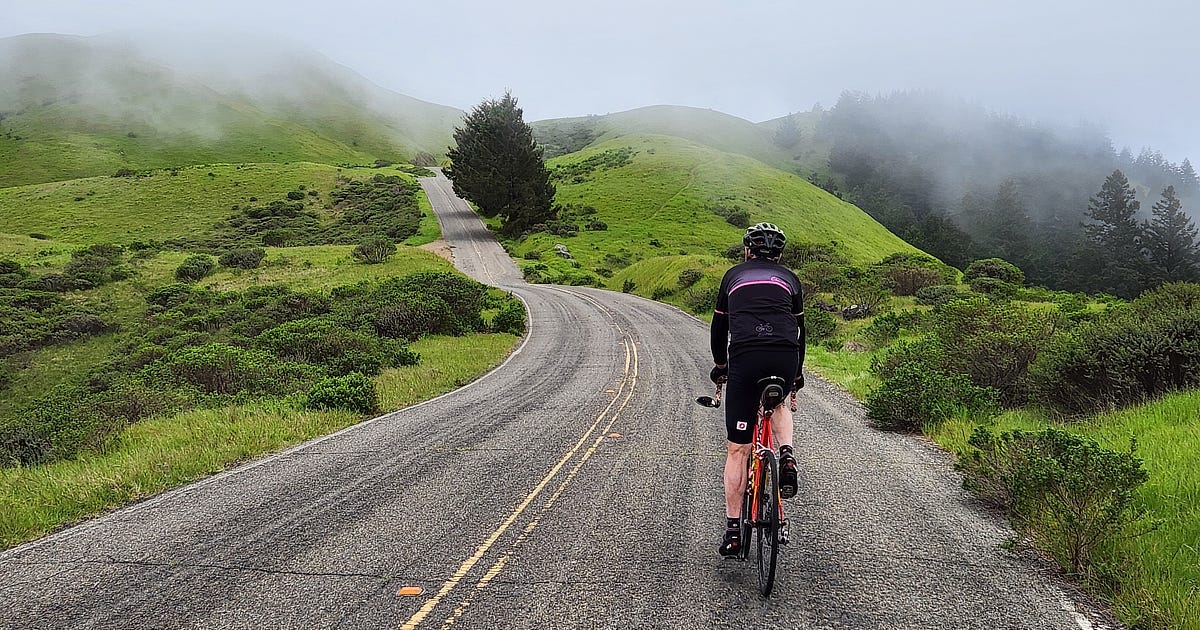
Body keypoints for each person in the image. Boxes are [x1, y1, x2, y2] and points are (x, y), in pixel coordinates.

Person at [709, 222, 805, 557]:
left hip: (746, 359)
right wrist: (796, 375)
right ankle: (787, 454)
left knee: (738, 450)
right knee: (777, 404)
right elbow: (799, 331)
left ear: (747, 250)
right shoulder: (791, 279)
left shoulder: (733, 276)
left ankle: (734, 531)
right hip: (784, 356)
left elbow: (719, 329)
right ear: (779, 255)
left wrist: (721, 368)